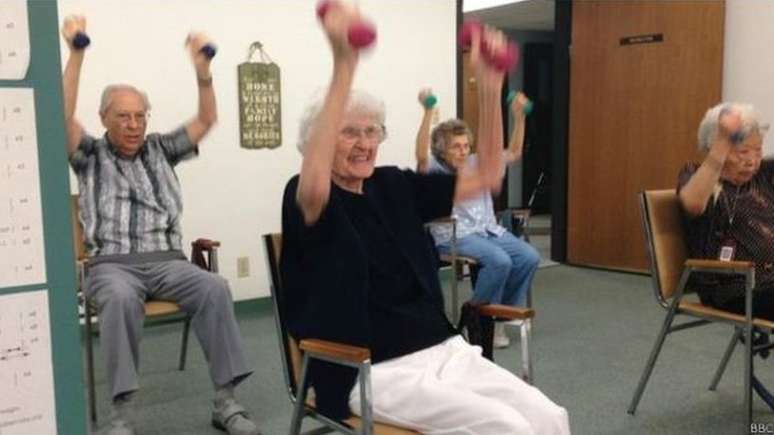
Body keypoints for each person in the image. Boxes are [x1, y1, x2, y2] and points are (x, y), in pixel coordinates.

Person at [280, 5, 569, 434]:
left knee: (548, 416)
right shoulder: (308, 197)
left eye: (372, 130)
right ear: (317, 142)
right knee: (507, 428)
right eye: (348, 132)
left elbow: (487, 175)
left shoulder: (393, 184)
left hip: (444, 348)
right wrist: (345, 63)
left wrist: (490, 90)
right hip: (371, 367)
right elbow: (315, 180)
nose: (364, 143)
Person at [61, 15, 259, 435]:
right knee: (117, 297)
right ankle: (122, 418)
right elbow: (60, 119)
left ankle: (226, 403)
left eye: (140, 116)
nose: (134, 125)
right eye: (123, 117)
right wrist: (76, 53)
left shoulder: (161, 149)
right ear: (104, 118)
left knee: (215, 287)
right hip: (112, 265)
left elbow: (206, 121)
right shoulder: (90, 156)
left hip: (169, 262)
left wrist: (203, 75)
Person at [415, 88, 540, 348]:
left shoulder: (477, 162)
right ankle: (477, 317)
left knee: (529, 257)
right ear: (442, 150)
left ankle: (497, 316)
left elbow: (514, 153)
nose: (462, 151)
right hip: (453, 234)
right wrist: (427, 113)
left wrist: (520, 118)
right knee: (499, 261)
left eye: (465, 146)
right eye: (455, 147)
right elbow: (420, 156)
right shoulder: (435, 169)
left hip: (487, 230)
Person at [678, 102, 774, 318]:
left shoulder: (765, 176)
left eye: (757, 151)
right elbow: (692, 204)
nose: (752, 161)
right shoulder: (696, 176)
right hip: (735, 288)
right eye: (742, 152)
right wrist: (723, 140)